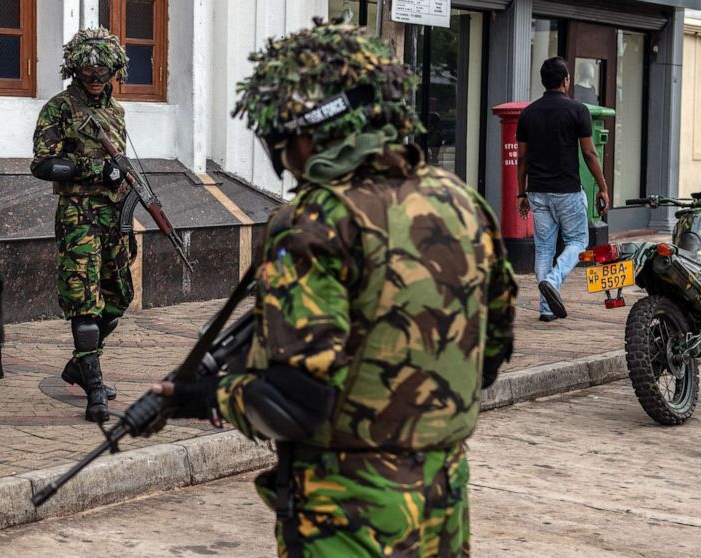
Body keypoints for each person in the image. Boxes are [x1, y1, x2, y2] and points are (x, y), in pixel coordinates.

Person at [152, 20, 518, 557]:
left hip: (347, 513)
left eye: (281, 141)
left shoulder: (316, 220)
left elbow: (292, 403)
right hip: (443, 498)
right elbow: (494, 347)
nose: (285, 161)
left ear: (310, 132)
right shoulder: (460, 202)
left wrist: (199, 398)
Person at [30, 28, 133, 423]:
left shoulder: (116, 112)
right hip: (79, 219)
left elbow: (120, 170)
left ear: (114, 70)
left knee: (119, 296)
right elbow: (42, 164)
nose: (94, 76)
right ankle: (94, 387)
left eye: (102, 69)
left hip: (114, 219)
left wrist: (127, 209)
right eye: (87, 68)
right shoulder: (59, 108)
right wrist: (95, 170)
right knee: (83, 299)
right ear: (74, 67)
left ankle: (78, 365)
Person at [517, 56, 610, 322]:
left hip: (537, 191)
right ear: (566, 80)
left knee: (544, 248)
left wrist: (522, 193)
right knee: (578, 242)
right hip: (567, 190)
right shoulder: (577, 110)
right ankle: (553, 279)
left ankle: (546, 309)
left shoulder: (528, 113)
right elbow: (590, 154)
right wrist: (602, 187)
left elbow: (522, 158)